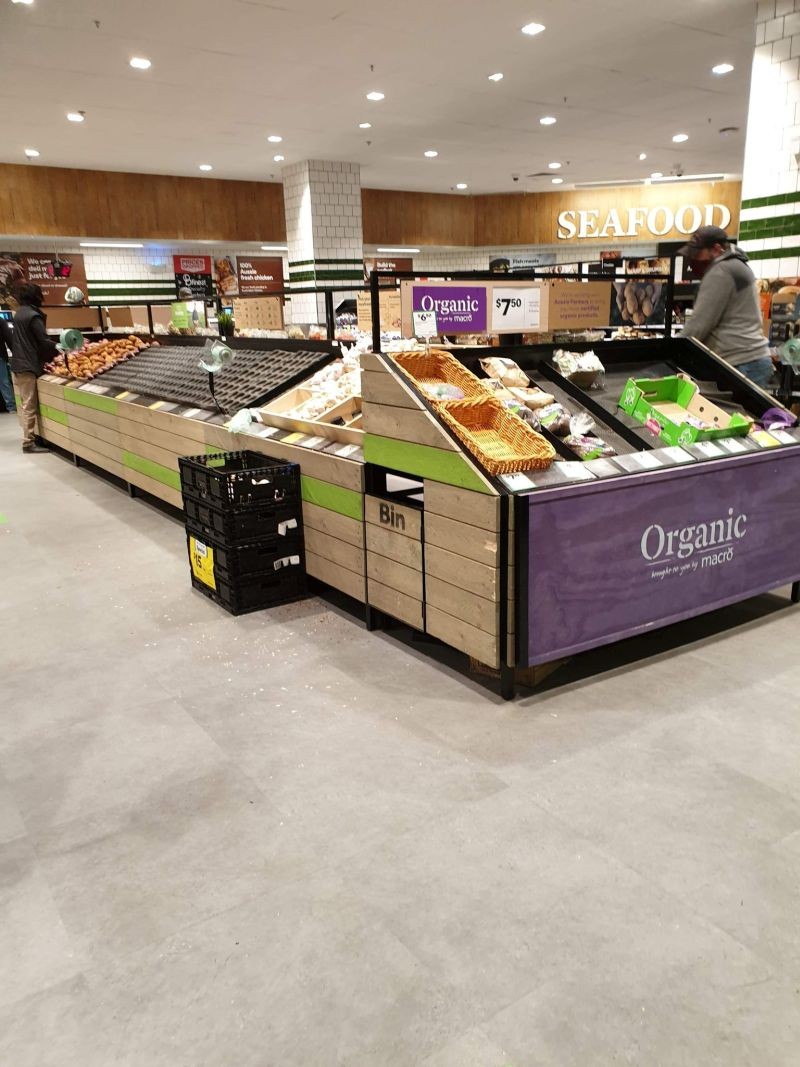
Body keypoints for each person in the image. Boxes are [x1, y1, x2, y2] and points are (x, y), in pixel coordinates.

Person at [679, 226, 774, 390]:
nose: (693, 259)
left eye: (697, 254)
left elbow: (699, 326)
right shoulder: (739, 265)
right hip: (753, 361)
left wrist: (668, 349)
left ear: (716, 249)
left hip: (739, 364)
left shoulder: (721, 271)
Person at [10, 283, 57, 453]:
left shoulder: (20, 313)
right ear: (36, 296)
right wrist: (60, 347)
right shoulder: (33, 315)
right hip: (28, 365)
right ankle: (28, 442)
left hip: (18, 364)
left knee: (26, 404)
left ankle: (36, 436)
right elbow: (43, 341)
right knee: (29, 405)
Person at [0, 317, 16, 414]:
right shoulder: (1, 321)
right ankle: (11, 406)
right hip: (0, 356)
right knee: (3, 382)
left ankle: (11, 406)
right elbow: (9, 338)